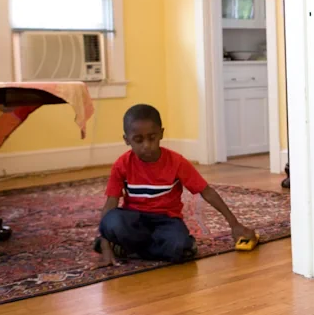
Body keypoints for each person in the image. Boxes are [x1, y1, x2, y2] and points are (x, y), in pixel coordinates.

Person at [94, 104, 256, 267]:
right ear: (127, 140)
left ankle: (131, 250)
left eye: (152, 138)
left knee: (178, 246)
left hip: (166, 220)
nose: (146, 145)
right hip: (134, 220)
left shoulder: (177, 162)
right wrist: (106, 249)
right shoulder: (121, 164)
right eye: (138, 140)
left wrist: (234, 224)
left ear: (161, 134)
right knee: (112, 221)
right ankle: (140, 248)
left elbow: (207, 192)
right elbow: (110, 205)